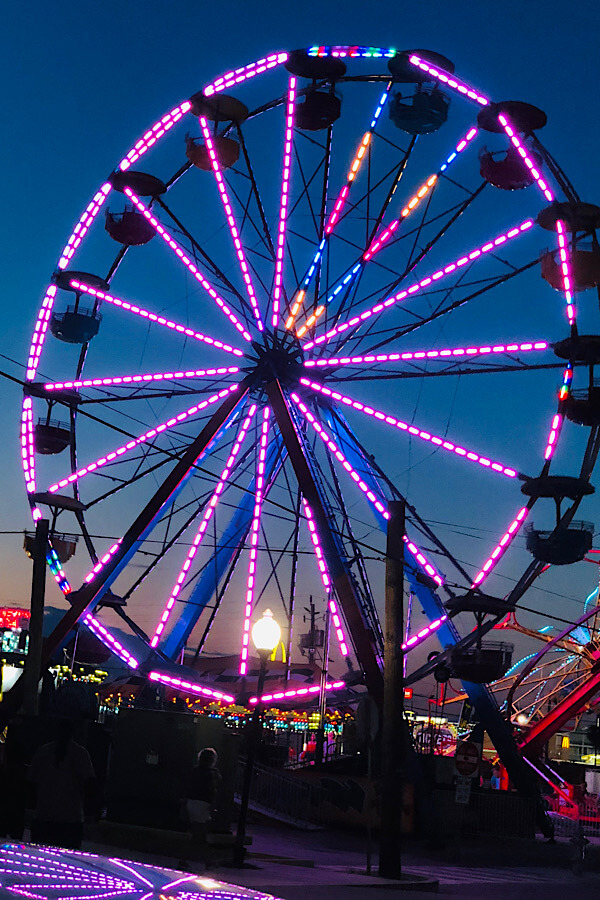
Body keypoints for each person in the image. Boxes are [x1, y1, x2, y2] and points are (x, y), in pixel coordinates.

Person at [28, 718, 96, 850]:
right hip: (71, 818)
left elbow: (31, 782)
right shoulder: (80, 754)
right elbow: (90, 783)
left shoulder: (43, 751)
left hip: (44, 814)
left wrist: (31, 809)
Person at [181, 747, 221, 868]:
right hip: (202, 805)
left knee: (198, 834)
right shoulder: (211, 774)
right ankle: (187, 860)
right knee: (199, 834)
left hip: (191, 803)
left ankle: (207, 860)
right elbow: (211, 791)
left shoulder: (194, 771)